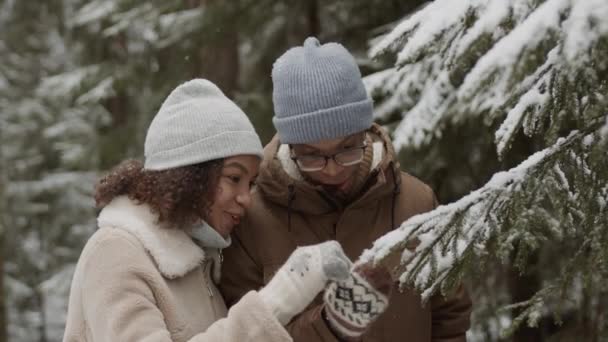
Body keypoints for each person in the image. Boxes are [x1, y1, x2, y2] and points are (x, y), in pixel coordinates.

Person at [219, 38, 472, 341]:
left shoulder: (416, 202)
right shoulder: (252, 219)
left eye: (347, 148)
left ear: (365, 133)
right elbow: (242, 336)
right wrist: (330, 324)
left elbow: (449, 316)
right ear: (291, 146)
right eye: (312, 155)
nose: (332, 168)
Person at [62, 79, 355, 342]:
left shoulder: (201, 266)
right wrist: (281, 296)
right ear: (188, 175)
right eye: (233, 178)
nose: (246, 198)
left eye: (250, 183)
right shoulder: (115, 253)